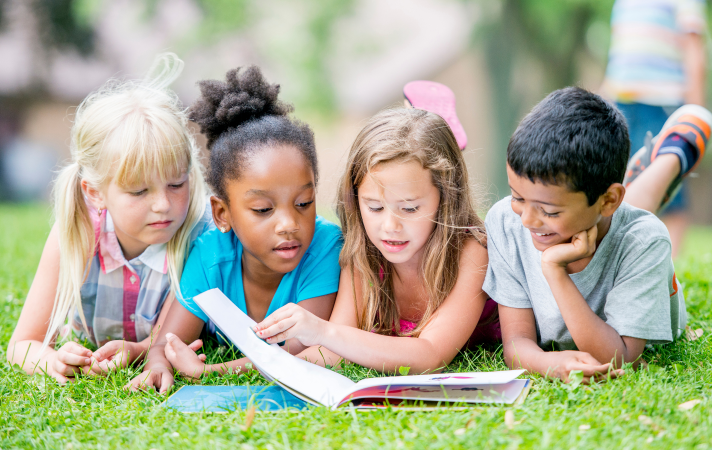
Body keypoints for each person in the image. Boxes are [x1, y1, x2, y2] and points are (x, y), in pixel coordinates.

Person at [126, 66, 343, 393]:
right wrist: (158, 364)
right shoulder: (210, 254)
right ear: (222, 213)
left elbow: (294, 351)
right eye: (263, 210)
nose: (288, 224)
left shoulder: (325, 247)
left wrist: (211, 372)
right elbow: (167, 342)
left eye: (303, 203)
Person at [485, 87, 712, 383]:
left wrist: (555, 271)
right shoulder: (506, 221)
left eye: (549, 211)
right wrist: (546, 363)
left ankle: (674, 153)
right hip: (604, 206)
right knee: (623, 209)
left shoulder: (644, 241)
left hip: (619, 219)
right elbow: (516, 343)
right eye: (517, 197)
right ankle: (638, 174)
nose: (527, 220)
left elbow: (620, 358)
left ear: (608, 200)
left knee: (630, 220)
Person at [7, 54, 211, 383]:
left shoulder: (198, 237)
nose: (163, 205)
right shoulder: (76, 233)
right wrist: (53, 361)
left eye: (176, 184)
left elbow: (166, 343)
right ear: (95, 192)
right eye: (139, 191)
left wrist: (138, 350)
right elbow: (22, 345)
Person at [252, 107, 499, 374]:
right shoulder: (364, 253)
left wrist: (323, 331)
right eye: (375, 207)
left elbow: (430, 355)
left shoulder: (471, 252)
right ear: (356, 199)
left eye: (409, 208)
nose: (390, 227)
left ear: (446, 198)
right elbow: (334, 350)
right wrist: (234, 368)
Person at [601, 0, 708, 257]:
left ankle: (671, 263)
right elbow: (619, 55)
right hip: (622, 102)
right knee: (622, 180)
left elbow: (693, 48)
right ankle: (624, 258)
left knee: (668, 181)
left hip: (662, 101)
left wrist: (695, 110)